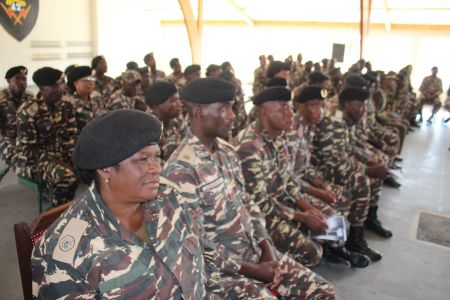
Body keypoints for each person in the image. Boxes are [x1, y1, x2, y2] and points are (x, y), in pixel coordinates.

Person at [162, 78, 335, 299]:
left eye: (232, 107)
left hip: (253, 250)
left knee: (324, 292)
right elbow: (196, 245)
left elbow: (249, 203)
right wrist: (253, 270)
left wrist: (266, 246)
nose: (233, 115)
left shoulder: (226, 151)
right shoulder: (181, 170)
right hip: (220, 272)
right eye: (224, 108)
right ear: (199, 111)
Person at [31, 109, 206, 298]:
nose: (156, 168)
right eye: (143, 159)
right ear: (105, 169)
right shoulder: (65, 255)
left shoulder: (169, 196)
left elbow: (201, 260)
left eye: (157, 156)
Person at [236, 86, 356, 269]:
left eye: (290, 108)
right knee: (311, 252)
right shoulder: (249, 148)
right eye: (283, 108)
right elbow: (260, 203)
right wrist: (302, 217)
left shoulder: (279, 135)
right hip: (259, 214)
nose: (291, 114)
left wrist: (309, 208)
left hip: (282, 200)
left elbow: (288, 180)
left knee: (333, 219)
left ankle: (328, 250)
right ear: (264, 112)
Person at [311, 86, 386, 262]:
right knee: (360, 181)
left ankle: (366, 222)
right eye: (359, 104)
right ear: (346, 104)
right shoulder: (334, 122)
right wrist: (367, 169)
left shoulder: (346, 119)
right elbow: (334, 160)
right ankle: (354, 240)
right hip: (321, 169)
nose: (363, 109)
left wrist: (370, 161)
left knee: (372, 171)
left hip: (330, 165)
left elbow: (349, 146)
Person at [15, 67, 78, 207]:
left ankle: (71, 210)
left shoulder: (66, 104)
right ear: (42, 87)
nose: (61, 88)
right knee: (66, 177)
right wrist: (61, 163)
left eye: (62, 83)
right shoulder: (28, 111)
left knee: (94, 168)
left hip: (60, 155)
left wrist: (75, 158)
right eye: (56, 84)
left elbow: (71, 136)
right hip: (33, 161)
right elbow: (29, 150)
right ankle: (56, 219)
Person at [0, 66, 33, 174]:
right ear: (9, 81)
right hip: (6, 138)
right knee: (19, 159)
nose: (22, 82)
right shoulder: (1, 98)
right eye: (18, 79)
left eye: (24, 79)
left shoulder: (29, 96)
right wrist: (9, 140)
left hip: (25, 138)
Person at [144, 81, 185, 162]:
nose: (179, 104)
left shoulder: (176, 121)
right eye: (173, 100)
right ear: (156, 106)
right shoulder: (146, 129)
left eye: (178, 99)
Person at [67, 66, 106, 132]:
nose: (90, 82)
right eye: (86, 80)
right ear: (75, 83)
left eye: (92, 79)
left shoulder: (97, 98)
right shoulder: (70, 103)